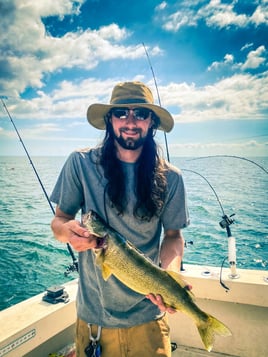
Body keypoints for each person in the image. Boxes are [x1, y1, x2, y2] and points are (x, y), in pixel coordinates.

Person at [50, 81, 190, 357]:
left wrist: (171, 277)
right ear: (108, 120)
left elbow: (173, 236)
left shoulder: (172, 177)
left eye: (140, 113)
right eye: (121, 113)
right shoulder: (79, 163)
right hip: (94, 321)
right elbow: (59, 220)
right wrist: (69, 233)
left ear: (151, 122)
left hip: (149, 320)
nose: (130, 121)